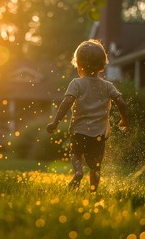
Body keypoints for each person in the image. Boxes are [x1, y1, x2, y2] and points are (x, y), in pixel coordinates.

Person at [46, 39, 129, 192]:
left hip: (79, 131)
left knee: (76, 154)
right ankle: (93, 192)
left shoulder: (76, 84)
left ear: (79, 66)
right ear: (102, 66)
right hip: (98, 134)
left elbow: (66, 103)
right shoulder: (108, 86)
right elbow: (122, 104)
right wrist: (124, 120)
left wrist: (55, 122)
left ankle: (78, 172)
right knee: (96, 166)